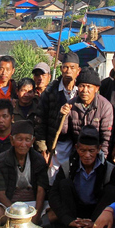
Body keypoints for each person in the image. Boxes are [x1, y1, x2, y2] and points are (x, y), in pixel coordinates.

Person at [48, 127, 115, 228]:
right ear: (77, 148)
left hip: (96, 211)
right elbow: (53, 195)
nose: (87, 155)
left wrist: (96, 221)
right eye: (82, 150)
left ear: (99, 149)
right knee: (64, 184)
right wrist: (67, 219)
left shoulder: (109, 169)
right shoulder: (67, 166)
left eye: (91, 151)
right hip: (74, 209)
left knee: (111, 190)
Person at [0, 120, 49, 224]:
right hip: (11, 204)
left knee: (55, 211)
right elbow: (0, 194)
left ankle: (24, 224)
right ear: (12, 140)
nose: (23, 144)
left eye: (27, 140)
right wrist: (16, 213)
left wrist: (36, 214)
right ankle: (25, 224)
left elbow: (40, 190)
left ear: (33, 141)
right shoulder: (1, 160)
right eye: (19, 139)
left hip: (33, 204)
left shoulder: (39, 160)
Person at [35, 52, 81, 182]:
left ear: (78, 70)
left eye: (72, 68)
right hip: (55, 145)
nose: (68, 71)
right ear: (61, 69)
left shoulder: (82, 90)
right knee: (52, 180)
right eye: (65, 67)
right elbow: (40, 120)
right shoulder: (50, 91)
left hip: (75, 145)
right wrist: (43, 148)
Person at [60, 67, 114, 161]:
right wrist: (62, 116)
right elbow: (64, 133)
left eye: (89, 87)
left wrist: (102, 159)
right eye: (82, 86)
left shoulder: (105, 107)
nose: (84, 90)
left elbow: (106, 137)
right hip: (78, 151)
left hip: (96, 152)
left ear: (96, 88)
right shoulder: (71, 105)